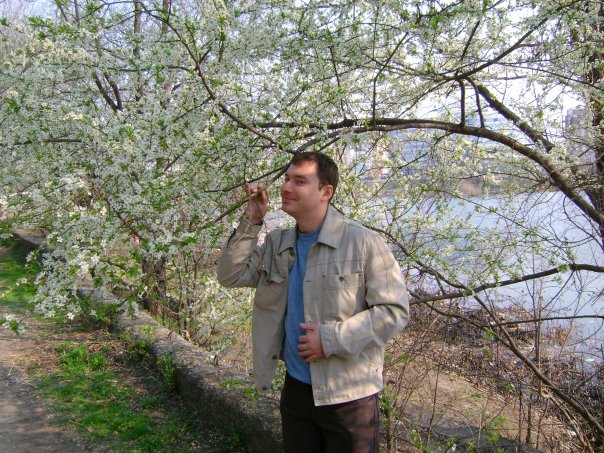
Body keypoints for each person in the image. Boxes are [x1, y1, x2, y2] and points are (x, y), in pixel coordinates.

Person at [216, 152, 409, 452]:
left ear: (325, 192)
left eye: (300, 181)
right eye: (286, 179)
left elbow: (394, 311)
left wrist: (330, 339)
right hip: (296, 392)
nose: (286, 187)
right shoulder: (277, 243)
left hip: (350, 397)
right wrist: (252, 220)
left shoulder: (363, 242)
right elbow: (230, 275)